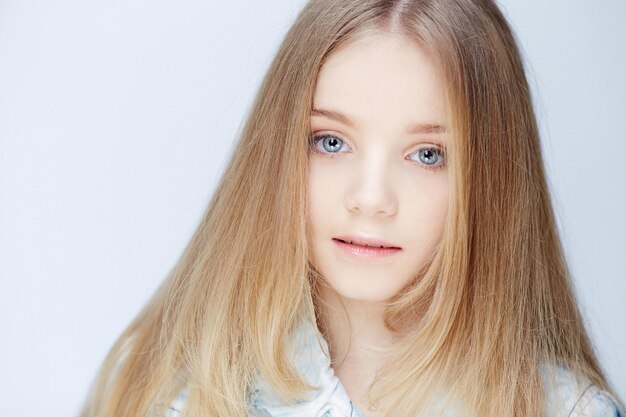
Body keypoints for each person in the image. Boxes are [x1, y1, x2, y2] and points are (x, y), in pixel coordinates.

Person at [79, 1, 624, 416]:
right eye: (331, 141)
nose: (370, 198)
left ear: (493, 183)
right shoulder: (171, 383)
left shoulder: (568, 410)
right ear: (277, 150)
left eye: (427, 154)